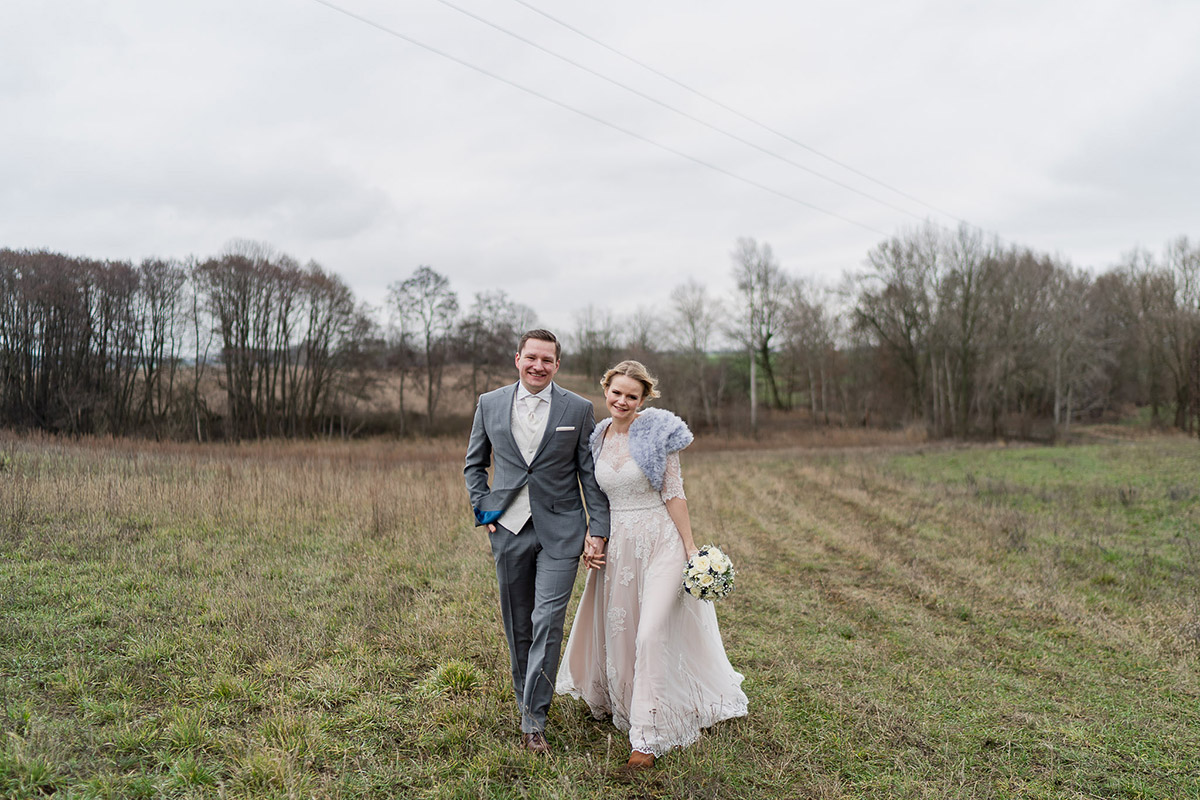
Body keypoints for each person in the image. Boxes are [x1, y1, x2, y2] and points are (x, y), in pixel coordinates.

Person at [556, 360, 748, 768]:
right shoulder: (597, 437)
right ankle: (625, 703)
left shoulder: (657, 432)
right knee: (621, 632)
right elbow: (597, 498)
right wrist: (595, 537)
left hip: (661, 541)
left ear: (644, 399)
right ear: (605, 388)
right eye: (616, 392)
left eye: (632, 396)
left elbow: (674, 492)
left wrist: (690, 547)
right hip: (620, 546)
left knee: (650, 633)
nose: (622, 401)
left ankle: (646, 737)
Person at [464, 329, 610, 755]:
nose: (538, 366)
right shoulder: (489, 404)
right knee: (519, 625)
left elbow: (590, 475)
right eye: (531, 358)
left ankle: (533, 723)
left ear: (557, 365)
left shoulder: (579, 409)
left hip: (562, 530)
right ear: (518, 359)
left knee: (548, 621)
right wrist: (483, 510)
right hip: (507, 528)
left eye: (547, 360)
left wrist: (597, 529)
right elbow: (475, 465)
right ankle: (525, 700)